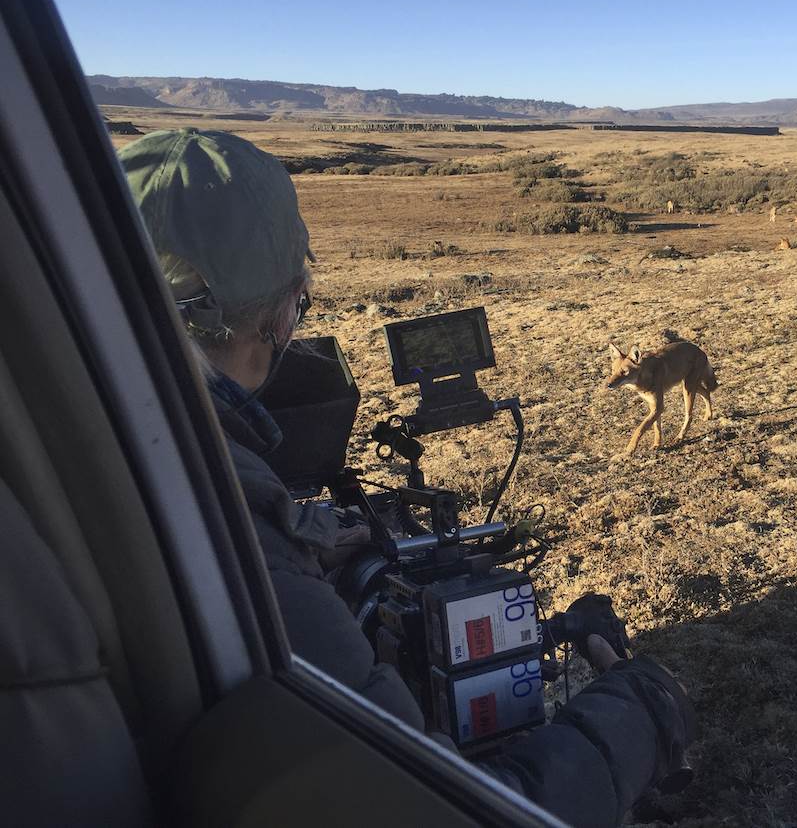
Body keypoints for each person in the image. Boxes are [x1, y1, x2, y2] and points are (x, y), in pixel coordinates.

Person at [117, 128, 695, 827]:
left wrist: (314, 535)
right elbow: (448, 807)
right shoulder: (239, 529)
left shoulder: (108, 436)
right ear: (279, 313)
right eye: (301, 308)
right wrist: (640, 707)